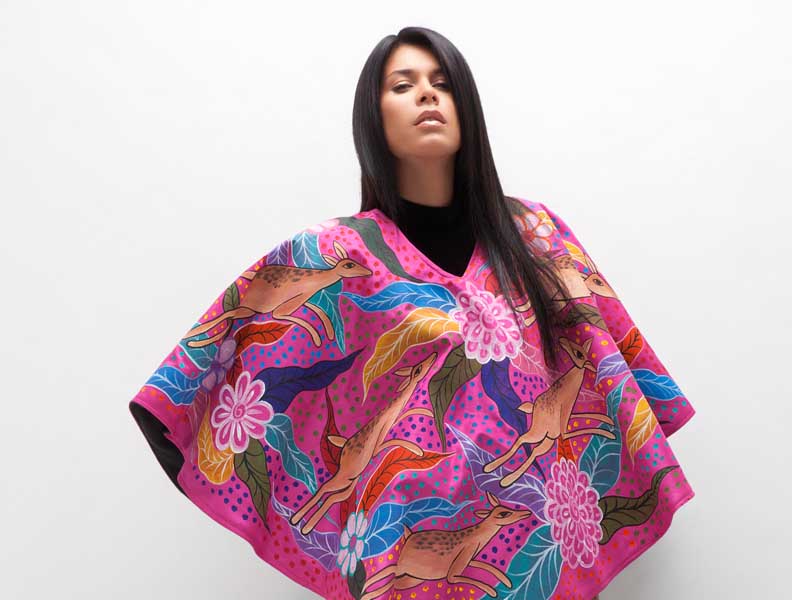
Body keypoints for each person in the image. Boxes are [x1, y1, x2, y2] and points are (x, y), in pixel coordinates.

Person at [129, 26, 695, 600]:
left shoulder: (536, 234)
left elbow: (620, 375)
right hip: (402, 552)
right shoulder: (338, 254)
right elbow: (191, 387)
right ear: (373, 118)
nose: (427, 93)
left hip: (538, 536)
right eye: (403, 85)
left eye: (442, 83)